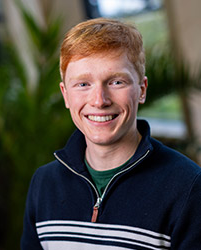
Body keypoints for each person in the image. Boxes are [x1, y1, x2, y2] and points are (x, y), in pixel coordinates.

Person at [21, 18, 201, 250]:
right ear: (65, 95)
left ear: (141, 90)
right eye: (83, 84)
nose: (99, 101)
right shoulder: (43, 184)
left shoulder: (188, 187)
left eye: (116, 82)